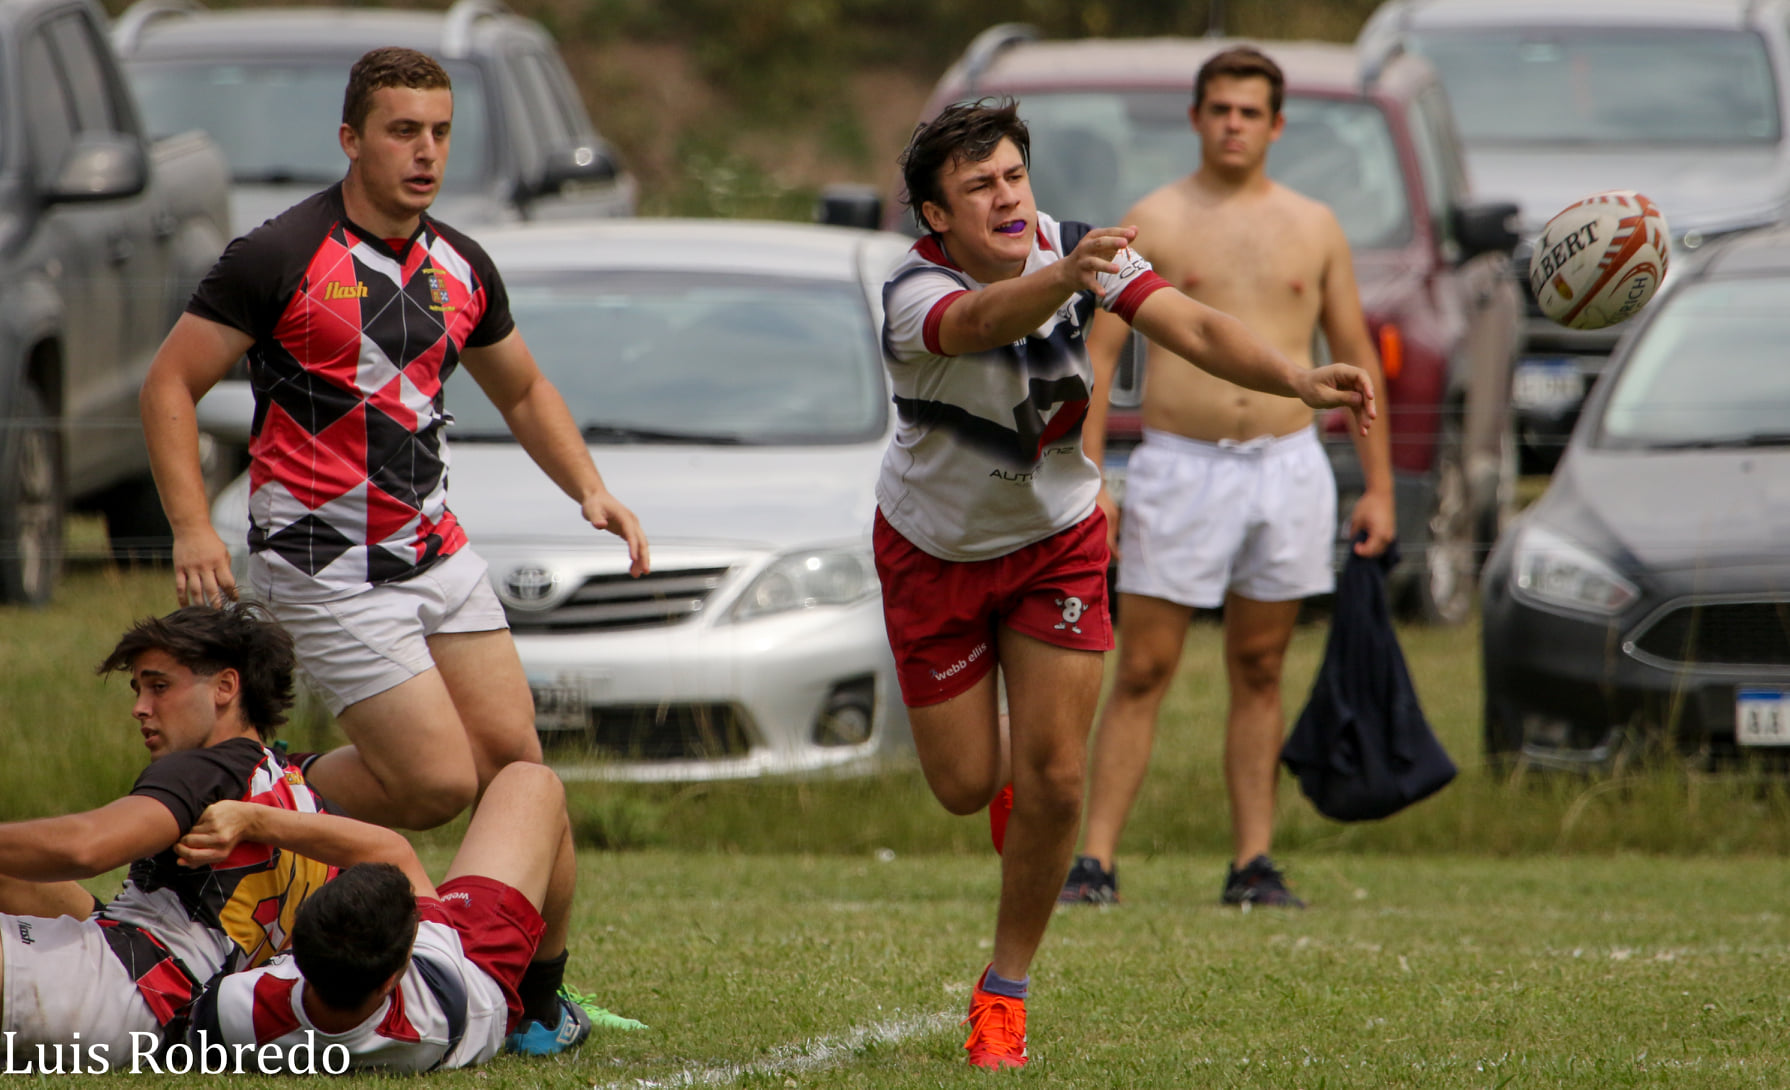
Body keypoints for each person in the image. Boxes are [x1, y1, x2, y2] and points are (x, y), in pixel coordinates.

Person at [876, 99, 1376, 1069]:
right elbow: (980, 321)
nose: (1005, 197)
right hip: (932, 550)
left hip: (1056, 539)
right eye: (977, 187)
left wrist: (1295, 378)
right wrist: (1065, 276)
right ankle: (1014, 772)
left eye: (1013, 176)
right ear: (936, 215)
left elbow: (1192, 325)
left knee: (1059, 775)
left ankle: (1004, 992)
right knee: (965, 783)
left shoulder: (1079, 251)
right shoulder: (913, 288)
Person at [138, 47, 649, 830]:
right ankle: (258, 790)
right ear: (350, 139)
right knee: (437, 784)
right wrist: (191, 525)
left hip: (435, 551)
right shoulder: (278, 256)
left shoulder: (462, 265)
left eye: (441, 132)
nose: (426, 152)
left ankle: (520, 925)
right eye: (404, 131)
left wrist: (591, 489)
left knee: (516, 764)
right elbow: (168, 385)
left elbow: (522, 390)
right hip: (323, 565)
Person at [1061, 46, 1397, 910]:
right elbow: (1099, 356)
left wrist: (1380, 487)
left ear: (1277, 125)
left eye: (1250, 112)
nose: (1234, 125)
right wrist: (1091, 477)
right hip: (1182, 465)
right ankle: (1094, 863)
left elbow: (1356, 357)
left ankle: (1252, 863)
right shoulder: (1154, 218)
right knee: (1144, 666)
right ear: (1196, 117)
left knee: (1260, 664)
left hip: (1287, 466)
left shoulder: (1315, 225)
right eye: (1220, 109)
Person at [0, 605, 332, 1054]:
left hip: (122, 989)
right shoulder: (300, 792)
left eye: (160, 687)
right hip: (185, 1016)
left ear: (225, 687)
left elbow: (86, 848)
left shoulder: (203, 769)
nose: (140, 708)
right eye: (138, 690)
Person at [175, 761, 642, 1070]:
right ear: (392, 978)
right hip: (479, 970)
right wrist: (252, 819)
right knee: (532, 783)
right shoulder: (436, 996)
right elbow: (394, 851)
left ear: (297, 954)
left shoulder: (233, 1011)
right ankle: (541, 1014)